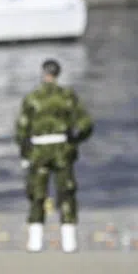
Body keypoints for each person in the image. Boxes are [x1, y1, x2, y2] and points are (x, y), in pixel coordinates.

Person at [14, 59, 94, 253]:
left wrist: (24, 153)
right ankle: (69, 242)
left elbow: (21, 128)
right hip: (61, 149)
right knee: (66, 193)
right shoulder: (67, 97)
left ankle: (35, 241)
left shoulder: (33, 98)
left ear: (43, 73)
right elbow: (85, 123)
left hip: (39, 150)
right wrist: (74, 140)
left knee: (37, 195)